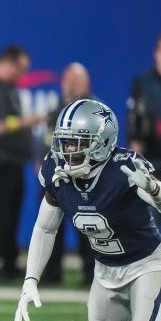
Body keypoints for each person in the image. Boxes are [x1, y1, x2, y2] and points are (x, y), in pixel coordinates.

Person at [15, 98, 161, 321]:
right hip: (106, 268)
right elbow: (45, 228)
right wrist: (30, 279)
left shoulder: (124, 168)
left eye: (77, 143)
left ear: (101, 143)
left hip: (148, 262)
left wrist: (154, 188)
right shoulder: (57, 172)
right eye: (64, 143)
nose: (67, 152)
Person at [0, 45, 39, 283]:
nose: (22, 75)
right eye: (21, 69)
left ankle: (9, 264)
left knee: (11, 215)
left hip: (13, 161)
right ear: (8, 63)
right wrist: (26, 121)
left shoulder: (8, 88)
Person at [127, 31, 161, 270]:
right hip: (155, 165)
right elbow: (136, 124)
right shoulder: (145, 83)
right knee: (152, 225)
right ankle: (153, 270)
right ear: (157, 54)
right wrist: (137, 163)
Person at [41, 62, 96, 286]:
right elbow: (46, 138)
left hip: (85, 177)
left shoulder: (94, 109)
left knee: (89, 226)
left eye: (77, 81)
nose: (72, 86)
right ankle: (51, 272)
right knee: (50, 225)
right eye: (69, 81)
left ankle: (92, 272)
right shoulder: (57, 109)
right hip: (57, 176)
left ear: (87, 84)